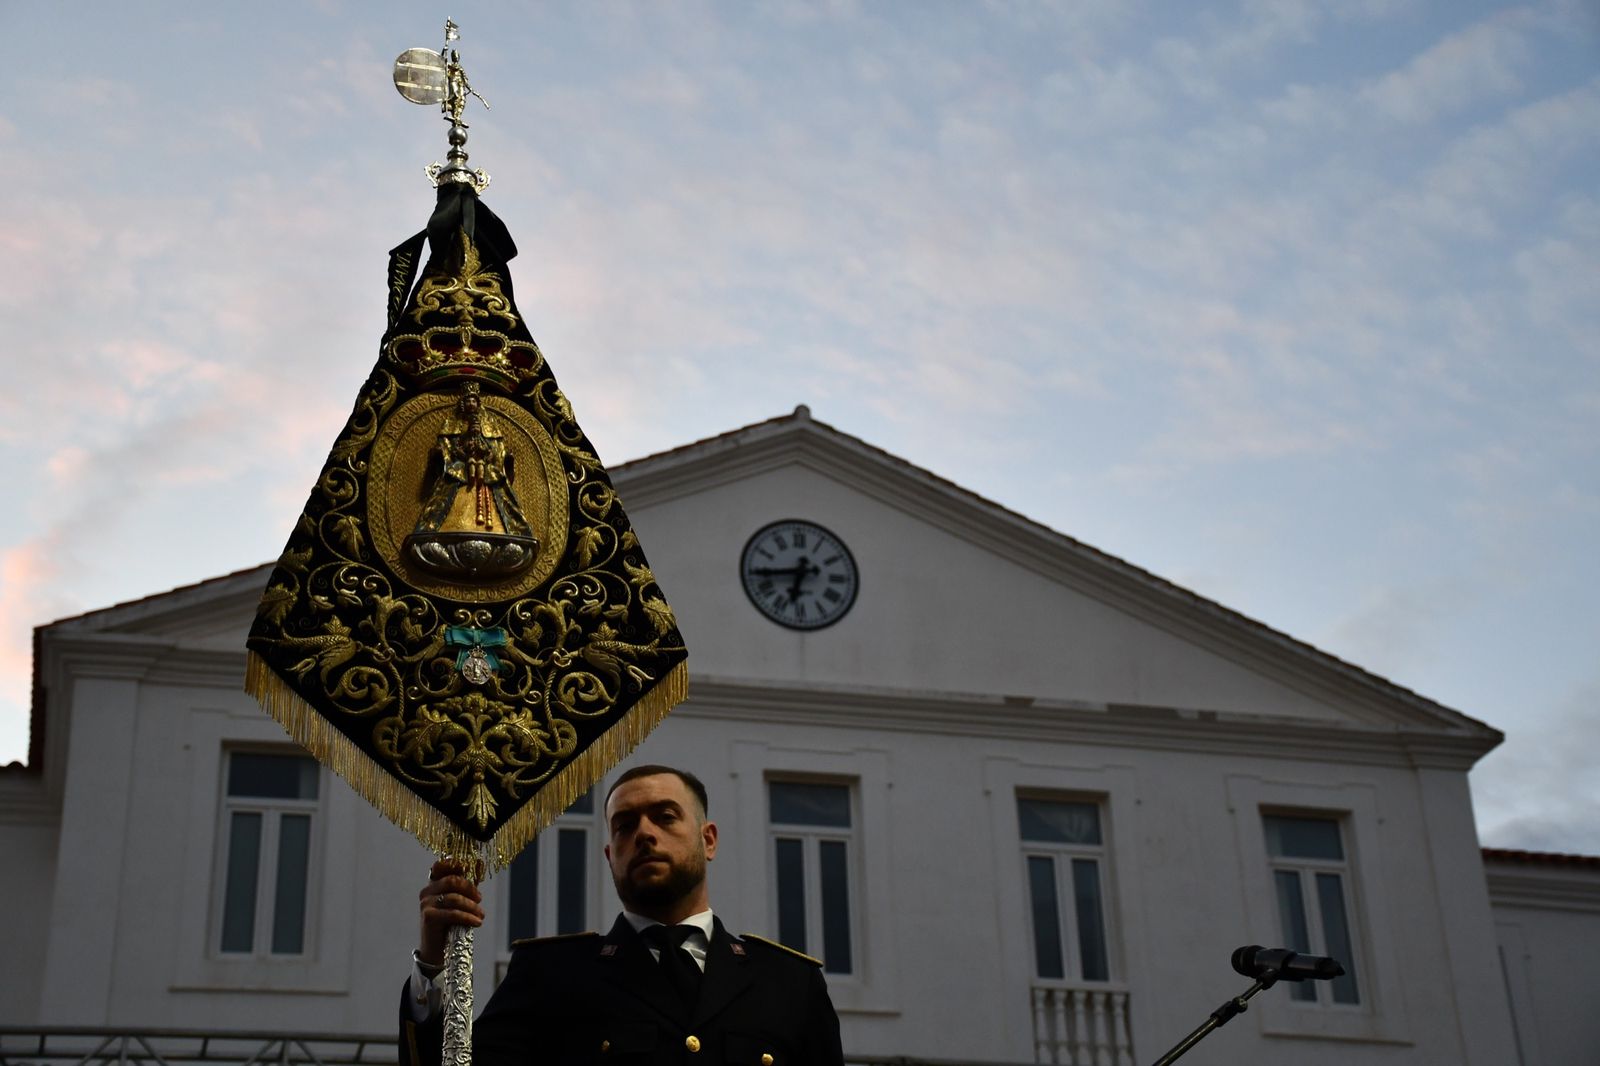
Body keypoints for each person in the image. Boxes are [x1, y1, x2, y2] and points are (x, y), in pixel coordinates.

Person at [401, 764, 845, 1065]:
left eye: (665, 817)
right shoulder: (551, 974)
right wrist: (435, 964)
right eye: (626, 825)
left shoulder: (789, 984)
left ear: (708, 840)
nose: (645, 834)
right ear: (610, 855)